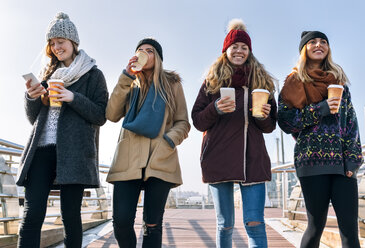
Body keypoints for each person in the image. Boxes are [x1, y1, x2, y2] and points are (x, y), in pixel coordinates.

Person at [17, 12, 108, 247]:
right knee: (31, 214)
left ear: (73, 42)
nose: (57, 47)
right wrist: (31, 97)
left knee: (70, 216)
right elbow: (32, 118)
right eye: (52, 44)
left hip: (74, 154)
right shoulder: (47, 75)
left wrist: (73, 97)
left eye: (61, 42)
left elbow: (100, 115)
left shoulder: (94, 75)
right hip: (41, 150)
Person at [192, 19, 277, 248]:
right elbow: (198, 121)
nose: (239, 51)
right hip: (218, 158)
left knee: (255, 224)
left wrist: (263, 116)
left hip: (253, 160)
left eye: (244, 47)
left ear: (249, 51)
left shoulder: (262, 82)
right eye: (235, 46)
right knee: (225, 225)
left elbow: (270, 127)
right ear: (226, 50)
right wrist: (216, 108)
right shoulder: (212, 81)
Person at [277, 31, 363, 248]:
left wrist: (353, 159)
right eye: (313, 42)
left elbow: (351, 123)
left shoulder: (340, 83)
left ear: (328, 49)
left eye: (323, 41)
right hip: (311, 162)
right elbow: (286, 123)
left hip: (342, 165)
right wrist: (320, 109)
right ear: (304, 49)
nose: (319, 45)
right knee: (315, 227)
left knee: (350, 231)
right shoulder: (293, 82)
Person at [106, 38, 190, 248]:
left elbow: (183, 122)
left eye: (149, 51)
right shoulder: (130, 83)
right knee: (121, 222)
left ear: (158, 58)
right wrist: (125, 78)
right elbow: (111, 114)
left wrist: (168, 140)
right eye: (140, 50)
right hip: (128, 159)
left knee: (152, 224)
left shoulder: (172, 84)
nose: (144, 53)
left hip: (160, 159)